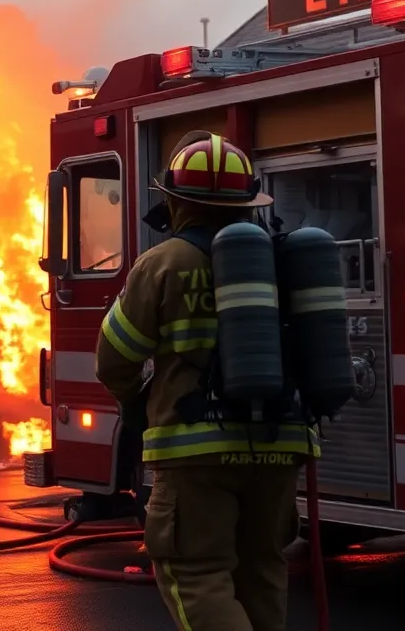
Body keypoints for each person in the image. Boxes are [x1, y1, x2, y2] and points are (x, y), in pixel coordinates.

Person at [95, 131, 320, 631]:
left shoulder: (163, 264)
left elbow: (115, 359)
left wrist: (134, 404)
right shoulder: (287, 262)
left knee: (195, 572)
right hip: (281, 441)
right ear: (248, 202)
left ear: (175, 201)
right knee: (261, 570)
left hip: (194, 452)